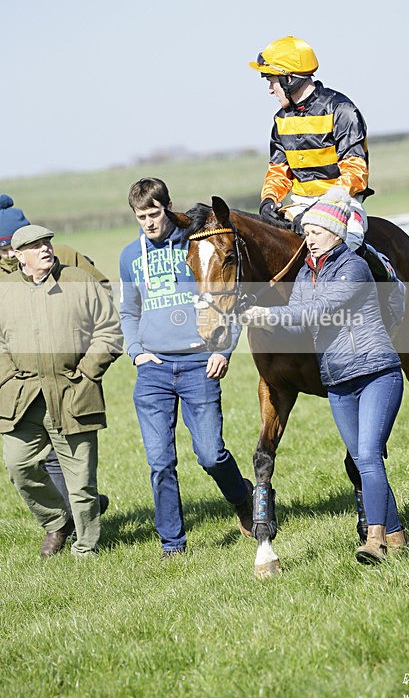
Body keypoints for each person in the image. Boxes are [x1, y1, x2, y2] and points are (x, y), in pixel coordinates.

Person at [241, 187, 406, 563]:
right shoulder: (305, 276)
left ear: (335, 233)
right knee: (364, 458)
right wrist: (255, 313)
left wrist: (265, 316)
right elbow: (297, 325)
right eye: (307, 233)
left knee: (366, 456)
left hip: (376, 372)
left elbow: (318, 311)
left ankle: (374, 541)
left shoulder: (354, 267)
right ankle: (396, 534)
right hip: (339, 383)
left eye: (315, 232)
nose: (308, 239)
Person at [119, 177, 253, 559]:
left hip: (199, 366)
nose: (148, 222)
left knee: (211, 454)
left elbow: (232, 297)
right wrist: (136, 351)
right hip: (154, 371)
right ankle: (172, 544)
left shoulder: (197, 243)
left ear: (168, 207)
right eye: (140, 216)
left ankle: (242, 497)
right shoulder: (131, 256)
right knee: (160, 462)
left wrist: (223, 349)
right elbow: (129, 311)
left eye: (154, 213)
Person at [0, 225, 122, 557]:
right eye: (35, 245)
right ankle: (56, 521)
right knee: (18, 466)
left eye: (47, 243)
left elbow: (110, 329)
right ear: (18, 255)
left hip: (73, 393)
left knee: (81, 481)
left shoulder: (79, 281)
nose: (45, 249)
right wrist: (8, 378)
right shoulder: (5, 289)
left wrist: (86, 374)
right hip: (22, 399)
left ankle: (86, 549)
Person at [250, 35, 372, 253]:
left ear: (289, 79)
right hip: (299, 205)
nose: (270, 89)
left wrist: (320, 209)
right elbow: (279, 172)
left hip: (341, 204)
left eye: (271, 80)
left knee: (344, 247)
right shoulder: (281, 120)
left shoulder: (342, 110)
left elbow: (355, 172)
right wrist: (268, 201)